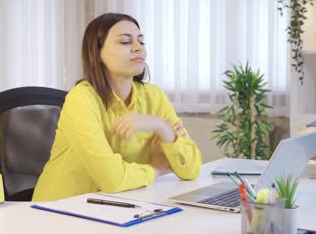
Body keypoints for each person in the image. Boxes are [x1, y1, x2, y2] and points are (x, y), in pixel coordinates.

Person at [32, 13, 202, 201]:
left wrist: (160, 126)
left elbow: (192, 170)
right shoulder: (81, 99)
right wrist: (157, 168)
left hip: (120, 206)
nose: (138, 48)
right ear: (97, 53)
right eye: (125, 42)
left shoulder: (154, 97)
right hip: (61, 211)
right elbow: (112, 180)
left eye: (141, 41)